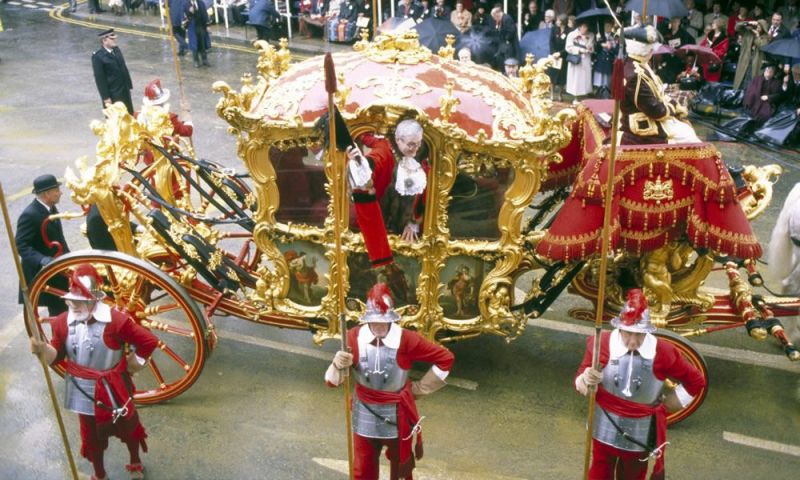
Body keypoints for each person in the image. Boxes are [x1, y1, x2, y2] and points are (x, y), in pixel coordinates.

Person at [29, 264, 159, 480]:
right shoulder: (62, 322)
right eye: (73, 300)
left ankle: (135, 462)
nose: (75, 305)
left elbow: (148, 342)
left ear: (94, 300)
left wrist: (131, 366)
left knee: (129, 428)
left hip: (115, 388)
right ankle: (99, 474)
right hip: (82, 391)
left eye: (82, 301)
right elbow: (57, 357)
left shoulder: (116, 321)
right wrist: (42, 351)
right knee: (91, 438)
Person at [325, 283, 454, 480]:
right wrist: (336, 364)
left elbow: (445, 359)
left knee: (401, 468)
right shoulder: (352, 337)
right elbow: (333, 382)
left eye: (382, 322)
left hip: (397, 414)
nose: (377, 326)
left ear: (391, 320)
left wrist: (417, 390)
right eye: (373, 321)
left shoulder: (407, 339)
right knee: (363, 470)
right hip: (364, 413)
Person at [575, 289, 706, 480]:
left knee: (633, 474)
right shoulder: (601, 343)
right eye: (628, 333)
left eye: (640, 335)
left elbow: (696, 381)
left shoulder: (663, 352)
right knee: (600, 470)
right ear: (619, 328)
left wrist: (671, 403)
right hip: (603, 421)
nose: (633, 341)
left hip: (641, 429)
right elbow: (579, 381)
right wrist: (587, 379)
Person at [346, 119, 429, 267]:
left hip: (410, 223)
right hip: (380, 213)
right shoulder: (385, 149)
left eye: (418, 144)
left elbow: (425, 196)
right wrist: (359, 160)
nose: (415, 149)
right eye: (410, 144)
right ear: (398, 140)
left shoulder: (424, 162)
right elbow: (373, 157)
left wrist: (414, 222)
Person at [620, 25, 701, 145]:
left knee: (686, 128)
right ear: (643, 50)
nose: (653, 52)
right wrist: (674, 109)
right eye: (651, 49)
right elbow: (656, 111)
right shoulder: (635, 75)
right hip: (640, 121)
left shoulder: (640, 64)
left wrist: (674, 105)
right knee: (688, 137)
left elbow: (657, 93)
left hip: (648, 112)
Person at [15, 175, 70, 317]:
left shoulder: (51, 208)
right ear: (47, 194)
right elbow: (21, 245)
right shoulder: (30, 215)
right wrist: (43, 260)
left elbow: (59, 238)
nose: (60, 192)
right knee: (57, 310)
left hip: (57, 267)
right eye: (57, 190)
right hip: (43, 272)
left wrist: (69, 258)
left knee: (62, 308)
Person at [92, 29, 134, 115]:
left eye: (114, 38)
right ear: (104, 40)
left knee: (129, 116)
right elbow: (100, 79)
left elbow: (124, 69)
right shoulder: (98, 57)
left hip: (124, 90)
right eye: (112, 39)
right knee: (116, 120)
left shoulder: (116, 50)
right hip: (113, 94)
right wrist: (106, 97)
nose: (114, 40)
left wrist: (129, 86)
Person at [733, 19, 769, 90]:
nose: (758, 27)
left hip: (755, 65)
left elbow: (762, 46)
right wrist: (748, 23)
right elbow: (737, 27)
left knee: (751, 85)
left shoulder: (766, 37)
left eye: (760, 26)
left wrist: (757, 36)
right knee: (740, 82)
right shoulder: (748, 33)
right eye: (757, 26)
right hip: (744, 61)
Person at [565, 20, 594, 100]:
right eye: (584, 27)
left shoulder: (591, 35)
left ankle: (584, 95)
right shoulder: (572, 35)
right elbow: (568, 47)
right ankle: (575, 97)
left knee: (585, 78)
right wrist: (579, 50)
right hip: (576, 59)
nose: (585, 29)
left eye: (586, 27)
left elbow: (591, 46)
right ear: (579, 27)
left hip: (586, 59)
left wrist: (589, 47)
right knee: (576, 78)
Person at [699, 17, 729, 82]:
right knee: (705, 81)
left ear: (719, 24)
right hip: (706, 62)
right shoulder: (710, 34)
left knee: (713, 82)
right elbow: (702, 44)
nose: (712, 24)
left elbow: (723, 51)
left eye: (714, 23)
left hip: (715, 63)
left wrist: (711, 50)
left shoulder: (724, 38)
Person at [593, 20, 618, 95]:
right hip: (601, 58)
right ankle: (599, 91)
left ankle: (607, 92)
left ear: (611, 27)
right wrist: (599, 43)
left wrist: (610, 47)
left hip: (610, 59)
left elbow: (617, 50)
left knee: (608, 77)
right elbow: (595, 49)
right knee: (600, 76)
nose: (607, 28)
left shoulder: (615, 36)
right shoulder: (600, 35)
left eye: (608, 26)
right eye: (605, 26)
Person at [490, 6, 519, 71]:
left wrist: (505, 39)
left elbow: (511, 32)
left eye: (494, 17)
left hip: (509, 46)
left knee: (508, 62)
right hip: (503, 46)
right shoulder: (501, 20)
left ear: (497, 14)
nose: (494, 19)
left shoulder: (507, 18)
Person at [548, 13, 570, 101]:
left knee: (562, 77)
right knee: (552, 76)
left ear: (563, 22)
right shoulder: (554, 29)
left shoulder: (569, 31)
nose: (556, 22)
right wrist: (554, 53)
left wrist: (560, 54)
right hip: (554, 56)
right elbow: (551, 41)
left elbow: (568, 46)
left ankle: (560, 95)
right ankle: (552, 94)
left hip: (563, 57)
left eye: (558, 20)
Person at [184, 0, 211, 67]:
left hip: (201, 25)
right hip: (192, 27)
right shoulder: (186, 4)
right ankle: (196, 61)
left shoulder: (201, 3)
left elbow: (205, 14)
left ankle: (204, 59)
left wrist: (207, 25)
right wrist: (189, 12)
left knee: (202, 43)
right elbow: (184, 16)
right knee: (194, 44)